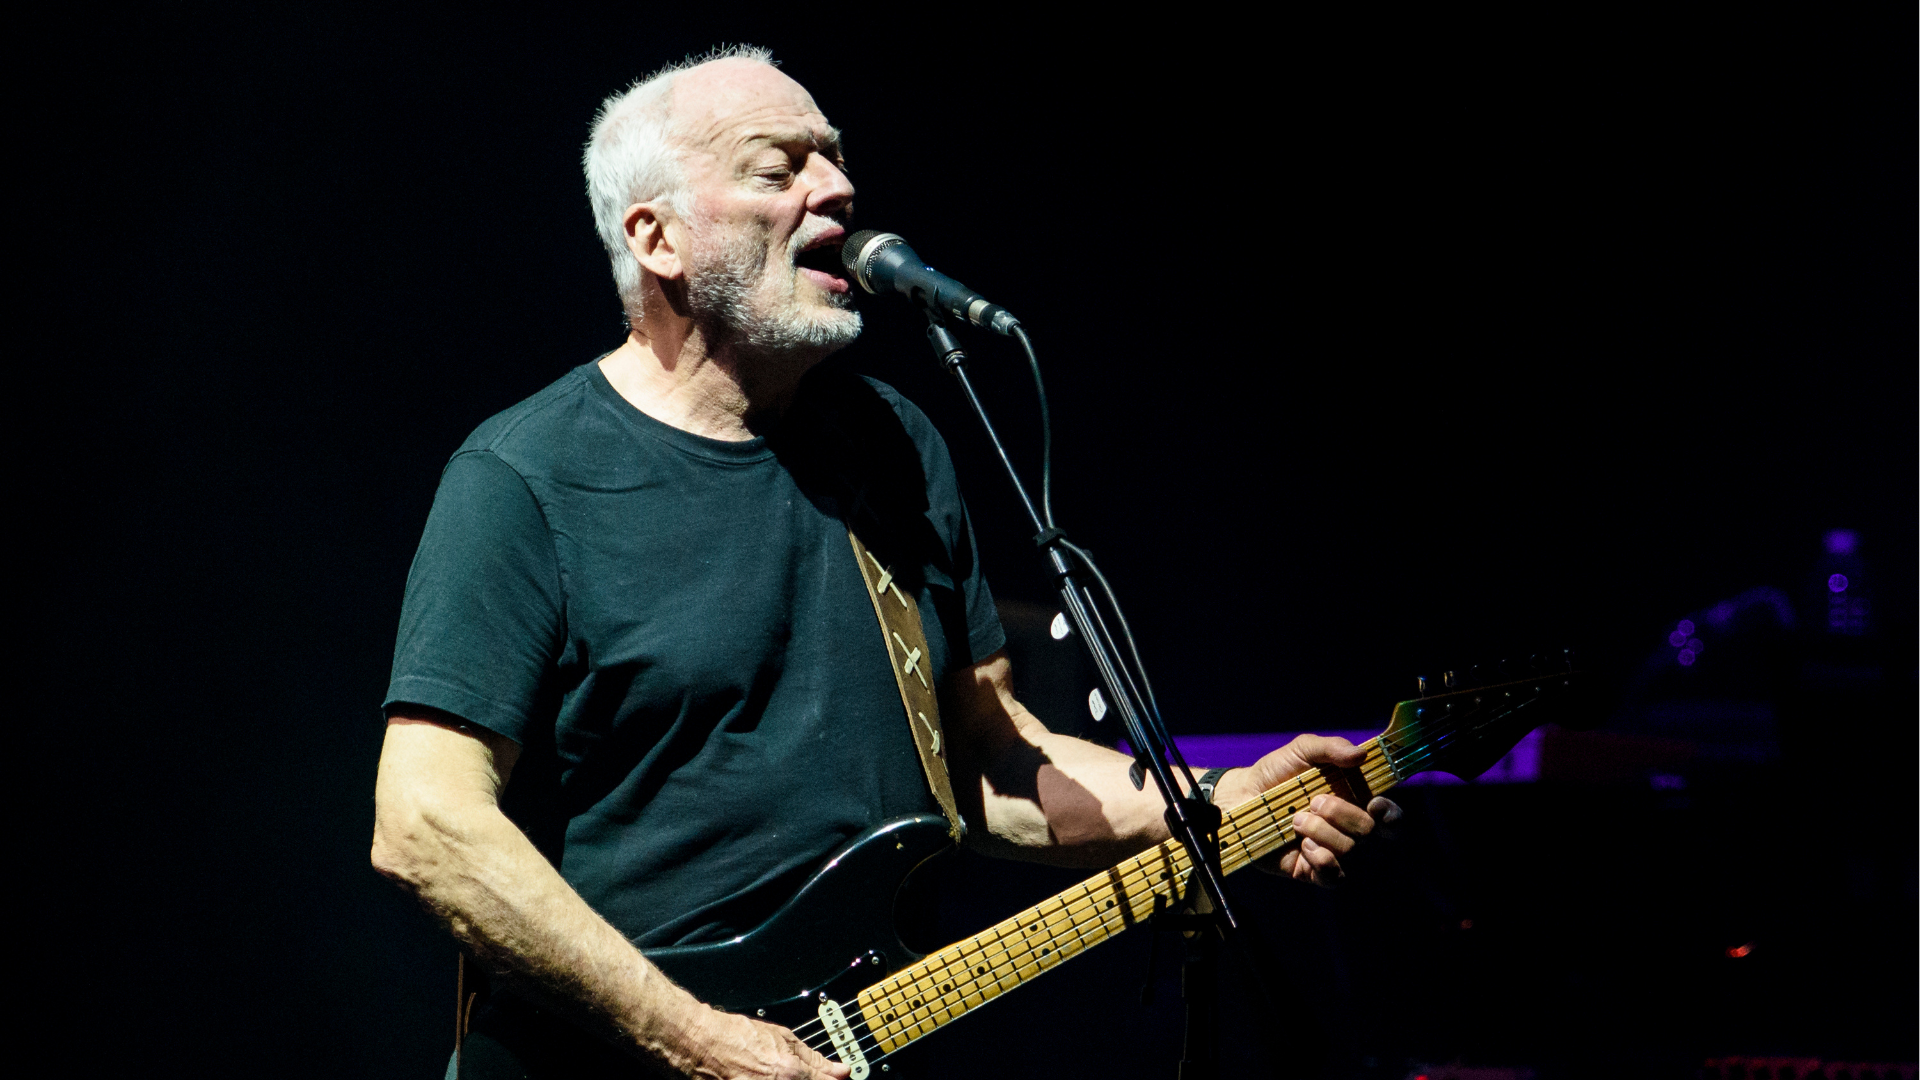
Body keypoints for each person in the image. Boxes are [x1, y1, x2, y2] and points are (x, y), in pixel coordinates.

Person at [370, 46, 1400, 1080]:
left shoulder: (893, 448)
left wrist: (1226, 800)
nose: (840, 190)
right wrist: (693, 1038)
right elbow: (425, 822)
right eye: (781, 170)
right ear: (659, 237)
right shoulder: (525, 477)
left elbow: (992, 762)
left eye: (835, 158)